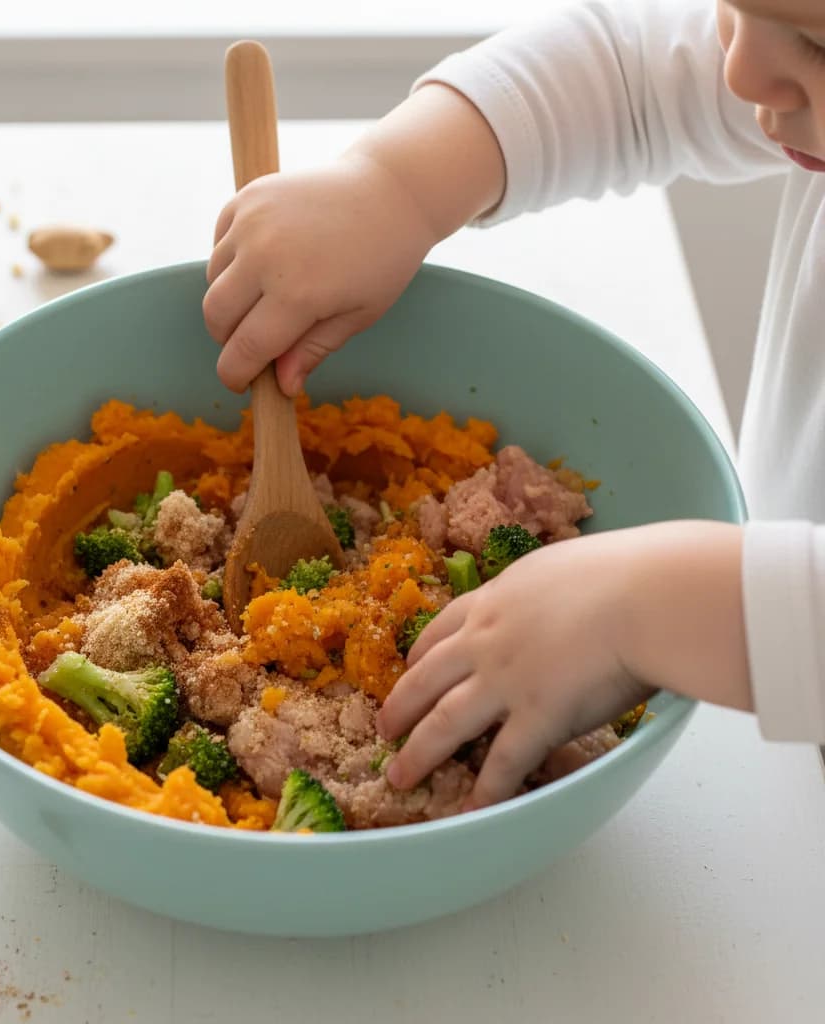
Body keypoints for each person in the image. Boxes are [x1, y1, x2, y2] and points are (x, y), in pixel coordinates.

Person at [202, 0, 825, 811]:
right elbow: (632, 77)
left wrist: (645, 608)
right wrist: (400, 183)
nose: (740, 71)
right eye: (734, 9)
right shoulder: (781, 76)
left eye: (815, 41)